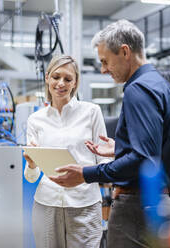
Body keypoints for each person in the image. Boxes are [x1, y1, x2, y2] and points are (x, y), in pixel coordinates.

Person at [49, 19, 170, 248]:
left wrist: (86, 173)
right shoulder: (165, 89)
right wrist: (121, 148)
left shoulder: (137, 90)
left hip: (136, 210)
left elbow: (143, 160)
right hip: (165, 203)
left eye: (105, 61)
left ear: (124, 52)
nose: (103, 69)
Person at [23, 54, 112, 248]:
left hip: (85, 205)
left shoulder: (91, 113)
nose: (61, 83)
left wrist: (85, 175)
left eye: (68, 79)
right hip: (46, 205)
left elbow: (104, 163)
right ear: (47, 78)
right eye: (56, 77)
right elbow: (31, 177)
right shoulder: (35, 120)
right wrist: (31, 165)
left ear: (75, 83)